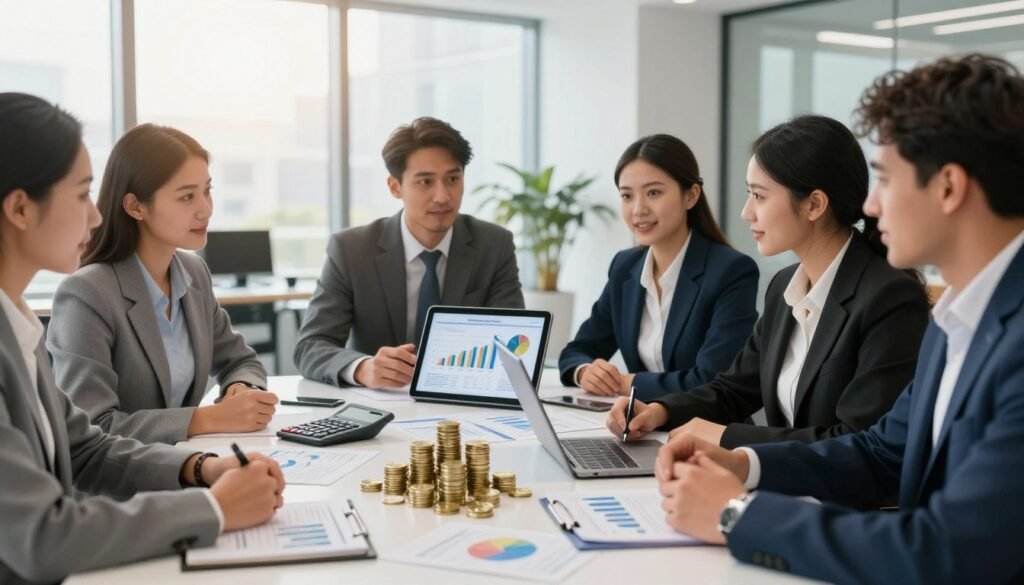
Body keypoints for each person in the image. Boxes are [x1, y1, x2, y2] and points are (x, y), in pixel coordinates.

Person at [654, 54, 1024, 584]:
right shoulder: (956, 319)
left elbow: (948, 552)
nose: (870, 205)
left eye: (886, 179)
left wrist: (737, 514)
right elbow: (881, 453)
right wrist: (744, 465)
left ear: (948, 187)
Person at [0, 92, 284, 585]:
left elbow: (86, 450)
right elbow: (42, 537)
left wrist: (200, 468)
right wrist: (213, 509)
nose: (94, 216)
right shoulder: (81, 295)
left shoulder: (16, 325)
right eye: (81, 194)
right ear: (21, 208)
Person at [607, 114, 929, 447]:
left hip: (844, 497)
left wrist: (727, 436)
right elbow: (734, 389)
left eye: (759, 196)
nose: (746, 212)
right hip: (780, 484)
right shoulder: (784, 286)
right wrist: (660, 410)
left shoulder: (889, 297)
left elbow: (858, 440)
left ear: (814, 204)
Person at [47, 124, 278, 444]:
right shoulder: (88, 293)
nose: (206, 209)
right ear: (135, 206)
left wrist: (242, 388)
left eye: (207, 191)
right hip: (121, 487)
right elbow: (93, 427)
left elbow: (241, 360)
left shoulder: (194, 273)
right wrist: (206, 418)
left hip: (192, 466)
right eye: (186, 197)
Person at [295, 116, 524, 390]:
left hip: (466, 399)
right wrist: (362, 368)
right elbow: (310, 346)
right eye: (425, 182)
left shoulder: (493, 245)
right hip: (381, 406)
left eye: (453, 178)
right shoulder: (352, 250)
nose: (442, 196)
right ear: (395, 187)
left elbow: (512, 342)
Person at [558, 134, 758, 401]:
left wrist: (623, 383)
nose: (638, 209)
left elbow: (711, 379)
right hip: (640, 428)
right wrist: (584, 372)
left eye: (653, 193)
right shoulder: (624, 267)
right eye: (627, 196)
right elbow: (577, 350)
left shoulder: (731, 272)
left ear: (691, 196)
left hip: (707, 433)